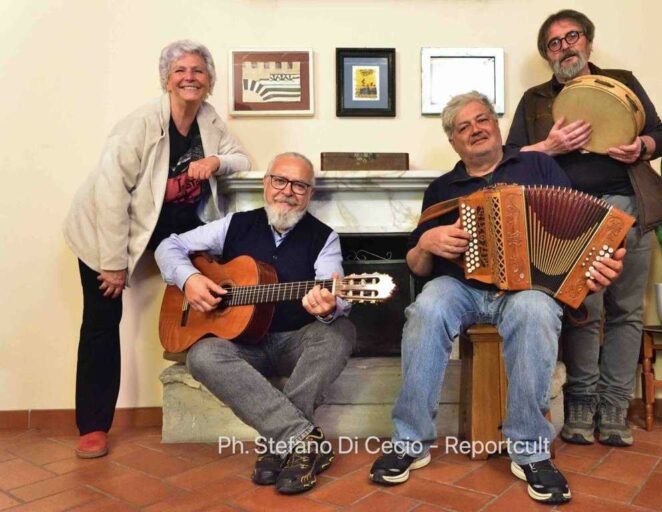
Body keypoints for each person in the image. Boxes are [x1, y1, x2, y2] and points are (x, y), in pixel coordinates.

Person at [368, 91, 625, 505]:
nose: (475, 129)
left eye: (482, 119)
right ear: (453, 141)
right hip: (460, 288)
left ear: (496, 124)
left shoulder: (539, 165)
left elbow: (579, 230)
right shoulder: (441, 187)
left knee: (537, 310)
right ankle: (409, 441)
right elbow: (416, 266)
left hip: (525, 288)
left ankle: (529, 450)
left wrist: (598, 268)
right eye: (463, 127)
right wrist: (428, 243)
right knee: (427, 308)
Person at [63, 40, 250, 458]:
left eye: (198, 71)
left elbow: (242, 159)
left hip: (169, 221)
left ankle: (211, 374)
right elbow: (111, 196)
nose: (190, 77)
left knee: (218, 271)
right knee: (101, 320)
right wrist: (113, 265)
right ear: (167, 79)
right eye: (181, 70)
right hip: (106, 227)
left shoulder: (208, 118)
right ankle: (93, 426)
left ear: (209, 80)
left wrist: (215, 163)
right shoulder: (141, 124)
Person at [506, 9, 662, 447]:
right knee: (584, 311)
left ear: (588, 42)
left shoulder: (623, 82)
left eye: (571, 37)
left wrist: (641, 145)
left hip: (628, 205)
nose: (564, 47)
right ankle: (580, 403)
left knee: (626, 310)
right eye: (554, 43)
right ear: (547, 56)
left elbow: (661, 135)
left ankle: (615, 407)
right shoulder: (535, 100)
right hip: (569, 215)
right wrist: (550, 146)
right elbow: (509, 158)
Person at [155, 152, 356, 495]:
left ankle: (280, 443)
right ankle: (300, 439)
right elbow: (167, 246)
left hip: (295, 340)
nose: (287, 191)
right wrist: (189, 280)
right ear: (266, 184)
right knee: (202, 356)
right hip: (244, 345)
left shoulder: (324, 237)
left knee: (340, 332)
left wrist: (327, 306)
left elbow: (333, 291)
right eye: (279, 180)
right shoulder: (234, 224)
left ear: (309, 193)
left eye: (299, 185)